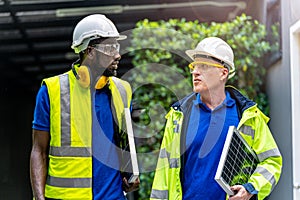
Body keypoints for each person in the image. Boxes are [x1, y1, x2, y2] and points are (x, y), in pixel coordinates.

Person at [150, 37, 282, 200]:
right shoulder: (180, 116)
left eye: (203, 66)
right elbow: (162, 176)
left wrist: (250, 188)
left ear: (223, 73)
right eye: (194, 66)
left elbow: (271, 161)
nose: (195, 72)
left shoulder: (247, 116)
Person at [30, 14, 139, 200]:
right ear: (90, 51)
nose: (118, 54)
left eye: (117, 47)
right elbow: (38, 150)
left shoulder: (123, 90)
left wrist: (130, 171)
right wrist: (39, 197)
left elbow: (123, 141)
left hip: (113, 197)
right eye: (110, 48)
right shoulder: (52, 91)